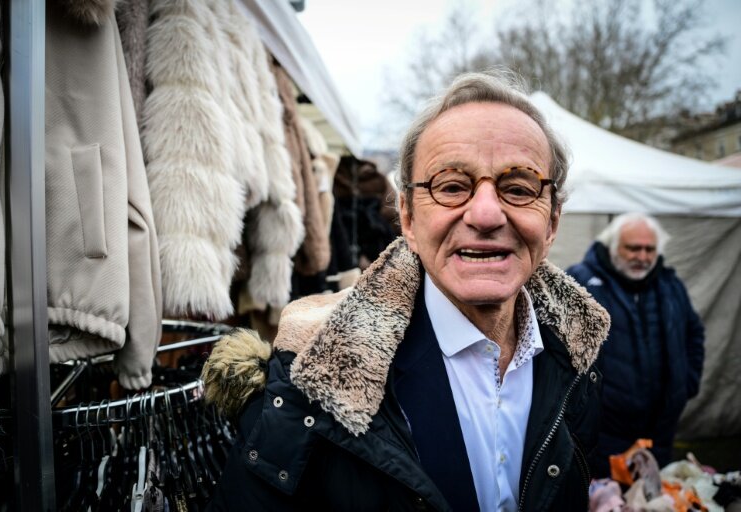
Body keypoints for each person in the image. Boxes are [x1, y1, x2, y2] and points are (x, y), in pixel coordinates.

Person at [203, 70, 610, 511]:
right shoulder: (310, 376)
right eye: (452, 186)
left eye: (518, 188)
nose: (488, 214)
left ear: (551, 221)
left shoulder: (575, 356)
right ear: (409, 217)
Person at [566, 213, 705, 477]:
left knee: (655, 499)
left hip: (660, 432)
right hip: (602, 433)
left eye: (649, 249)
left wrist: (686, 384)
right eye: (633, 248)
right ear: (611, 246)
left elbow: (693, 333)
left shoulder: (669, 284)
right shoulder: (580, 282)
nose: (642, 257)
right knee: (609, 500)